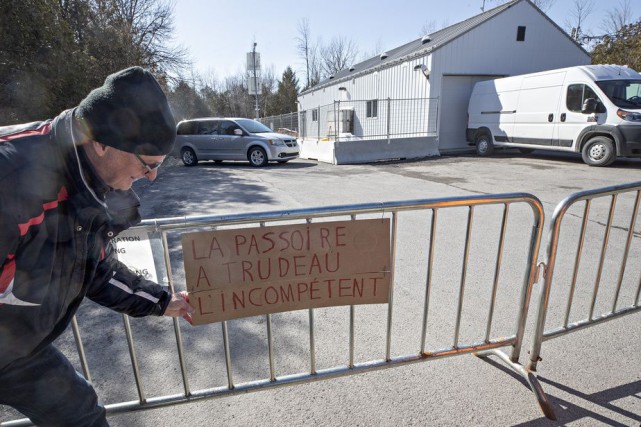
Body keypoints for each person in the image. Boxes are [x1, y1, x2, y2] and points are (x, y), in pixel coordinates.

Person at [0, 66, 194, 426]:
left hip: (17, 348)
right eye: (148, 164)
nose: (152, 177)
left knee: (80, 412)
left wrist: (164, 302)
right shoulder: (12, 178)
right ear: (102, 142)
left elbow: (95, 270)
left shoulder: (92, 182)